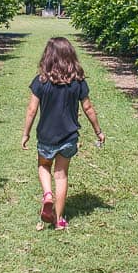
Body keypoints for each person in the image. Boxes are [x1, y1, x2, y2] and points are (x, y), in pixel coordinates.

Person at [21, 37, 106, 230]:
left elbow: (31, 110)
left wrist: (25, 133)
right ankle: (59, 220)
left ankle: (47, 195)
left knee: (43, 165)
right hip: (69, 137)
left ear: (47, 57)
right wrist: (98, 131)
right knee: (61, 175)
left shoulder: (40, 81)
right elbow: (88, 108)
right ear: (71, 57)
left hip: (46, 136)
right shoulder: (78, 82)